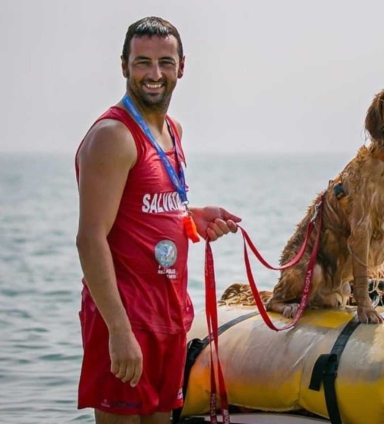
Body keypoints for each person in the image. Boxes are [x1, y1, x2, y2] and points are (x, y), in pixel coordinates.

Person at [74, 16, 241, 423]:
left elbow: (150, 205)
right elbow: (90, 239)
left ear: (182, 67)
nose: (154, 74)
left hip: (169, 316)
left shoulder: (172, 130)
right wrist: (118, 331)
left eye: (165, 62)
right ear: (124, 66)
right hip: (126, 320)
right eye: (142, 62)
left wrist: (192, 217)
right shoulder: (113, 136)